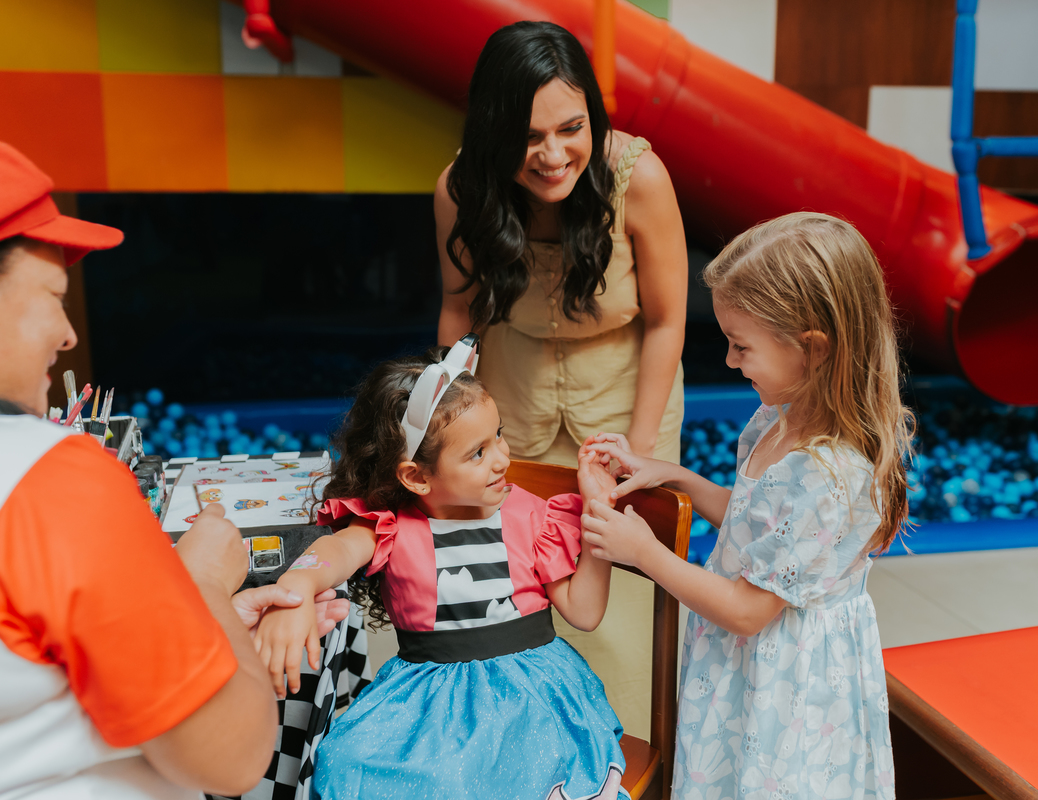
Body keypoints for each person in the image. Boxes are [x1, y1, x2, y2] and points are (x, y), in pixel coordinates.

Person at [0, 141, 347, 799]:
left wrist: (193, 624)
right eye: (52, 294)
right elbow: (232, 755)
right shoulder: (49, 479)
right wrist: (204, 585)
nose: (68, 334)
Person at [582, 213, 912, 799]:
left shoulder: (830, 473)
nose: (731, 361)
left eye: (742, 346)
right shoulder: (778, 419)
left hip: (787, 684)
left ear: (813, 349)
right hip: (744, 665)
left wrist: (645, 552)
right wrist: (677, 477)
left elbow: (747, 610)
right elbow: (758, 522)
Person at [434, 18, 689, 738]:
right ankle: (523, 748)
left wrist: (640, 451)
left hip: (626, 402)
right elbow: (458, 306)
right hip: (511, 404)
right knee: (517, 584)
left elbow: (667, 321)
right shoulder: (462, 187)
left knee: (620, 590)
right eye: (528, 137)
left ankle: (625, 746)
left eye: (571, 129)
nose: (553, 156)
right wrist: (444, 423)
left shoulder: (639, 178)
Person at [253, 338, 629, 800]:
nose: (502, 458)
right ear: (416, 476)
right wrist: (296, 587)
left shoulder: (531, 515)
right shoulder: (389, 527)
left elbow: (584, 613)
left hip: (532, 702)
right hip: (429, 706)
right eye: (477, 453)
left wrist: (597, 512)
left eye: (498, 435)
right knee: (347, 763)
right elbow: (336, 551)